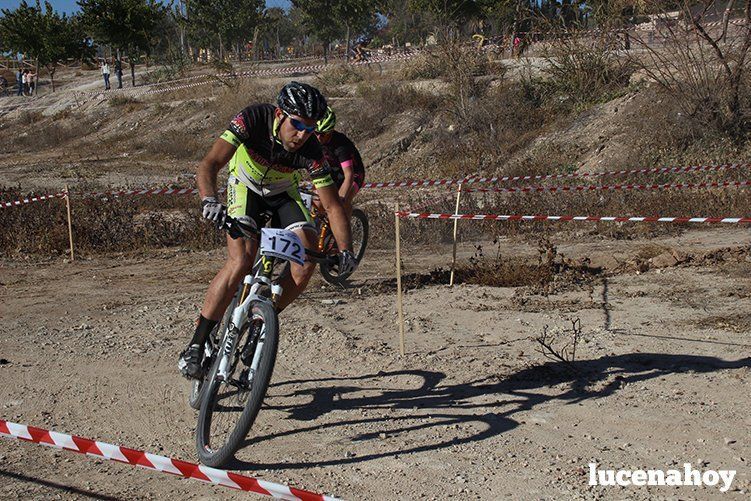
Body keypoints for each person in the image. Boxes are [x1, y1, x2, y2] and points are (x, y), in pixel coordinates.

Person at [178, 81, 356, 379]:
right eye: (297, 124)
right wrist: (210, 200)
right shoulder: (252, 119)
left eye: (310, 129)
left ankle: (261, 323)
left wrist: (345, 250)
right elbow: (210, 163)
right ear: (279, 114)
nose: (302, 135)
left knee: (306, 262)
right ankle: (196, 345)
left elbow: (333, 206)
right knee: (242, 259)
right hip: (245, 185)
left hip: (282, 193)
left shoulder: (312, 151)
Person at [314, 107, 365, 220]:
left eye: (323, 134)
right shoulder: (312, 139)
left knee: (341, 205)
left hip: (354, 173)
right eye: (316, 133)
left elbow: (349, 175)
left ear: (330, 131)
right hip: (333, 172)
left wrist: (341, 197)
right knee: (317, 204)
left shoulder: (341, 145)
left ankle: (345, 233)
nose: (318, 137)